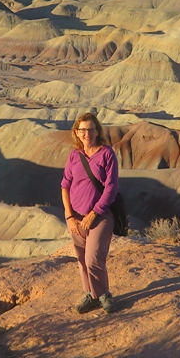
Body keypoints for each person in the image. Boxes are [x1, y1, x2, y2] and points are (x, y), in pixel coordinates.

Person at [61, 112, 119, 314]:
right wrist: (69, 216)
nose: (87, 133)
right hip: (76, 217)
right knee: (81, 259)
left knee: (93, 259)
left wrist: (94, 214)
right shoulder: (74, 155)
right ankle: (90, 295)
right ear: (77, 132)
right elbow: (65, 185)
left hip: (100, 216)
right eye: (83, 130)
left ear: (97, 131)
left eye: (91, 129)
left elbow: (111, 188)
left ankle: (104, 295)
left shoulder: (107, 154)